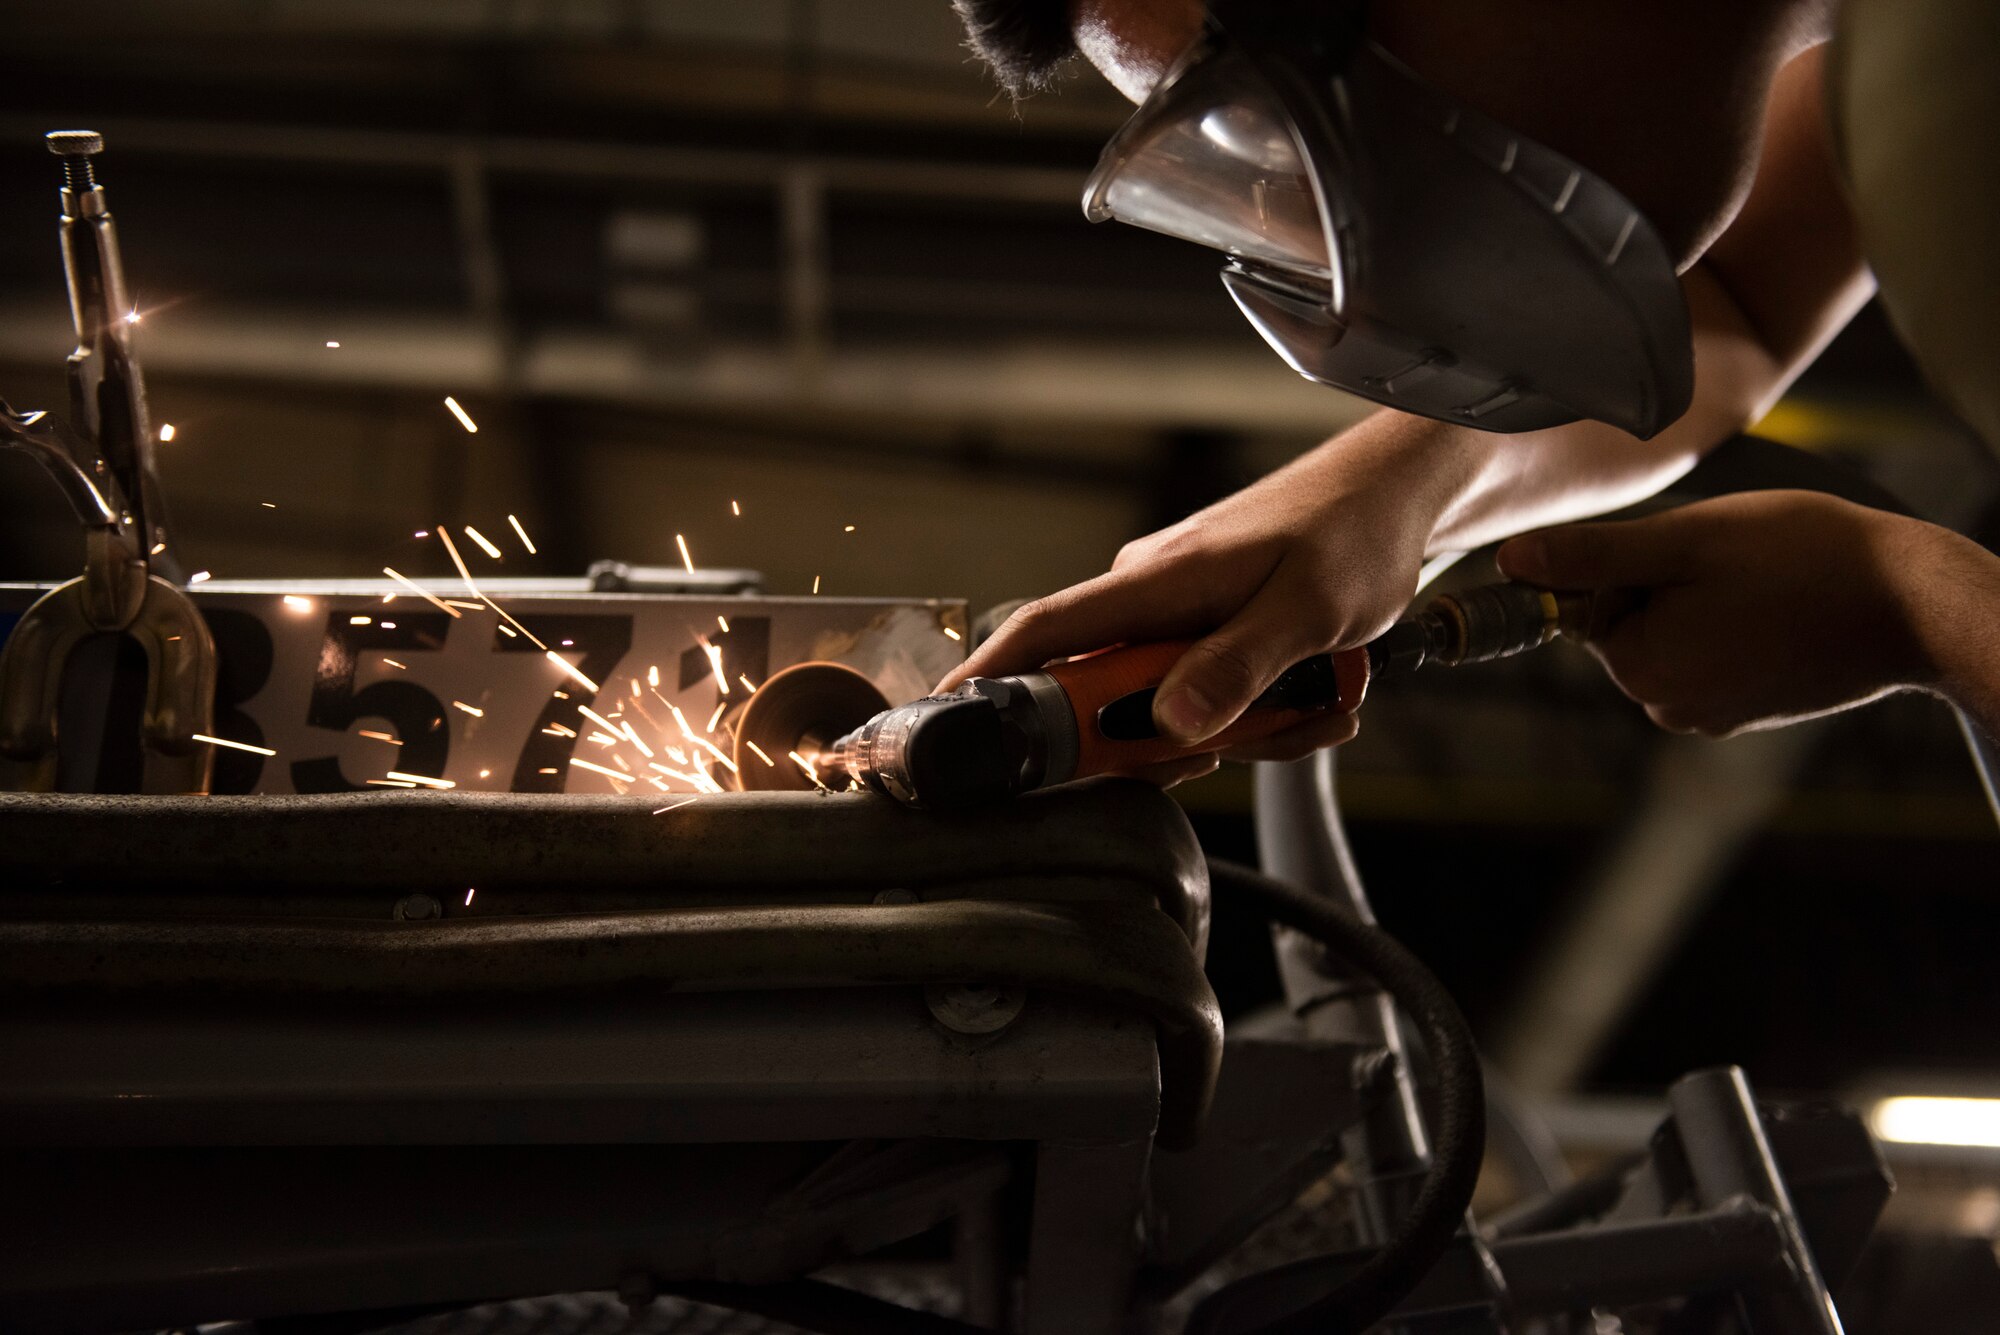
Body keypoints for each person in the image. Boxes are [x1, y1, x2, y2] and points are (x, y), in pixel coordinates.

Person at [939, 0, 2000, 786]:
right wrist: (1386, 498)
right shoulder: (1890, 62)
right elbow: (1729, 302)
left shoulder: (1959, 92)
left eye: (1326, 79)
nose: (1389, 222)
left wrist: (1916, 607)